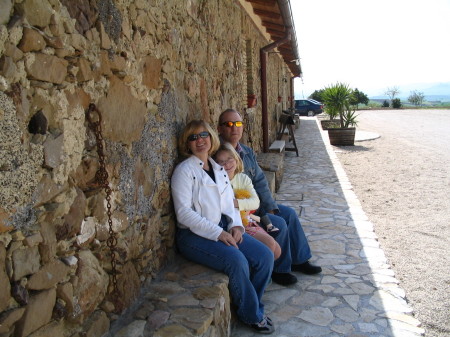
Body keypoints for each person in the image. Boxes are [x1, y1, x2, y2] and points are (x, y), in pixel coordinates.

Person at [171, 120, 275, 334]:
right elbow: (183, 213)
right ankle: (251, 315)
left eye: (203, 135)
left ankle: (247, 305)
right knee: (237, 261)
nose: (199, 141)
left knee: (265, 256)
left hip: (224, 227)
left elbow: (230, 204)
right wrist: (218, 233)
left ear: (211, 137)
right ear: (187, 144)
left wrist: (236, 226)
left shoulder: (218, 169)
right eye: (193, 138)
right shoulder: (184, 171)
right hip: (194, 235)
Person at [218, 109, 322, 286]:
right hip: (242, 212)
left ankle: (300, 259)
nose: (234, 128)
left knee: (288, 213)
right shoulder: (219, 154)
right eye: (228, 124)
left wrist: (271, 206)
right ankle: (279, 270)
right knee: (279, 223)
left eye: (237, 124)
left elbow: (260, 182)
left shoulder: (247, 152)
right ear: (219, 129)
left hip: (255, 204)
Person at [214, 142, 281, 260]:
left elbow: (255, 202)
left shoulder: (242, 178)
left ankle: (265, 270)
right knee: (270, 245)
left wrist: (236, 203)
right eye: (221, 162)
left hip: (248, 219)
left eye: (230, 159)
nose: (227, 165)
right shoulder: (218, 182)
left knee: (277, 251)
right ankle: (259, 271)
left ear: (236, 159)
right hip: (236, 223)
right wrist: (243, 205)